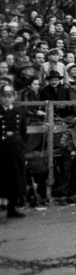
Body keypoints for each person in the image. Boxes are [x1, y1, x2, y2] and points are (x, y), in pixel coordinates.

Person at [0, 85, 27, 218]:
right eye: (4, 97)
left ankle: (12, 209)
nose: (7, 99)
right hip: (1, 149)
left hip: (15, 149)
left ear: (13, 97)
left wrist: (21, 146)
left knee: (16, 178)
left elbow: (23, 131)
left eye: (9, 96)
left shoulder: (19, 112)